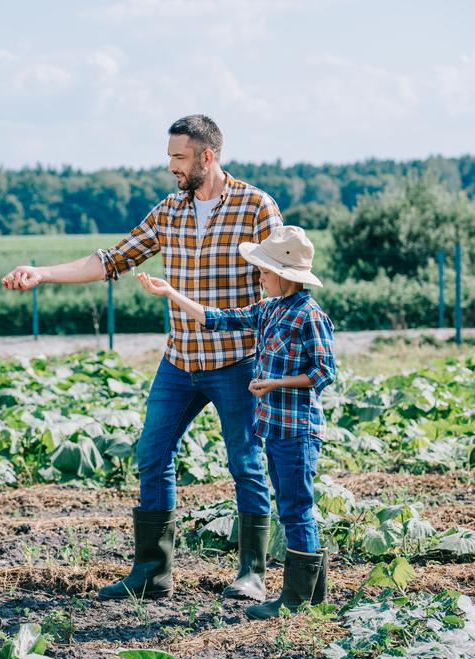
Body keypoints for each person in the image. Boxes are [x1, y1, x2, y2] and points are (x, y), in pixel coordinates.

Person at [1, 115, 285, 602]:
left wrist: (273, 360)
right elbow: (112, 259)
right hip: (179, 361)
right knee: (152, 456)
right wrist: (43, 273)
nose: (171, 167)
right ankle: (153, 572)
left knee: (246, 463)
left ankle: (252, 573)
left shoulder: (255, 207)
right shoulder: (169, 211)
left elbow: (278, 287)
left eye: (179, 158)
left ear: (206, 157)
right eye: (169, 157)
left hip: (237, 361)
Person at [136, 224, 336, 618]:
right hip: (275, 428)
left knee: (297, 509)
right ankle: (309, 599)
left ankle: (298, 601)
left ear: (284, 275)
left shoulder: (310, 316)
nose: (259, 278)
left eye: (263, 272)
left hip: (298, 431)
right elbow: (217, 319)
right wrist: (171, 294)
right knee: (292, 507)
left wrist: (274, 383)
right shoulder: (270, 309)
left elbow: (324, 372)